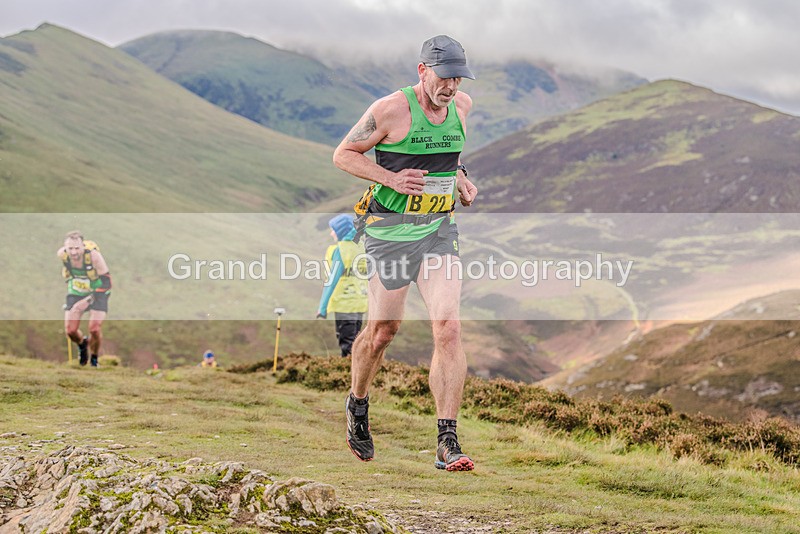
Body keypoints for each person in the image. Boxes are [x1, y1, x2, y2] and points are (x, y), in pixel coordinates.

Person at [332, 35, 478, 471]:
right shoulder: (390, 110)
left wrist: (462, 179)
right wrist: (391, 180)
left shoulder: (463, 107)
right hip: (390, 232)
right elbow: (343, 154)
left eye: (457, 78)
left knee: (448, 326)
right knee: (383, 331)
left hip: (438, 229)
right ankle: (357, 404)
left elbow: (448, 161)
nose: (450, 87)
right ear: (422, 71)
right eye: (443, 77)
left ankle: (447, 441)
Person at [316, 214, 369, 357]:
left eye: (333, 229)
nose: (331, 233)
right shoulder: (361, 247)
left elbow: (331, 281)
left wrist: (322, 307)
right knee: (356, 343)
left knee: (348, 345)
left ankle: (347, 376)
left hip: (344, 304)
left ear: (341, 232)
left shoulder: (340, 250)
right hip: (360, 303)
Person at [57, 231, 112, 367]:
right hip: (76, 292)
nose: (74, 252)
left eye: (77, 248)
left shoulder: (94, 257)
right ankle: (83, 344)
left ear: (83, 246)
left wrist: (87, 300)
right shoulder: (62, 255)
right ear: (65, 248)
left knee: (94, 328)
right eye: (70, 248)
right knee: (70, 331)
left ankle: (94, 359)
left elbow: (107, 283)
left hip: (98, 292)